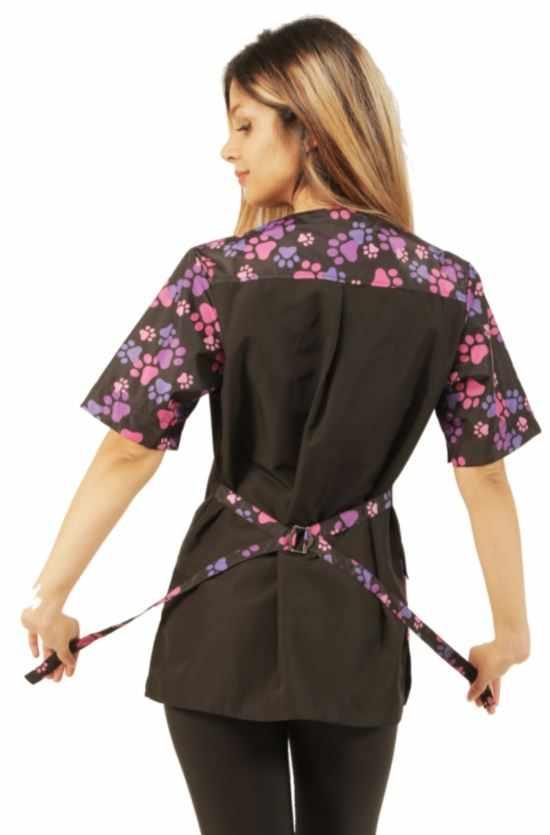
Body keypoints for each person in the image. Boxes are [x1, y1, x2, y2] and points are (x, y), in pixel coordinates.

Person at [21, 15, 541, 835]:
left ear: (311, 126)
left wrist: (51, 599)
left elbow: (129, 449)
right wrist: (509, 635)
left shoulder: (217, 273)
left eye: (245, 125)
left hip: (219, 621)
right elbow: (486, 475)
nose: (227, 150)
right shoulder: (450, 286)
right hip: (358, 628)